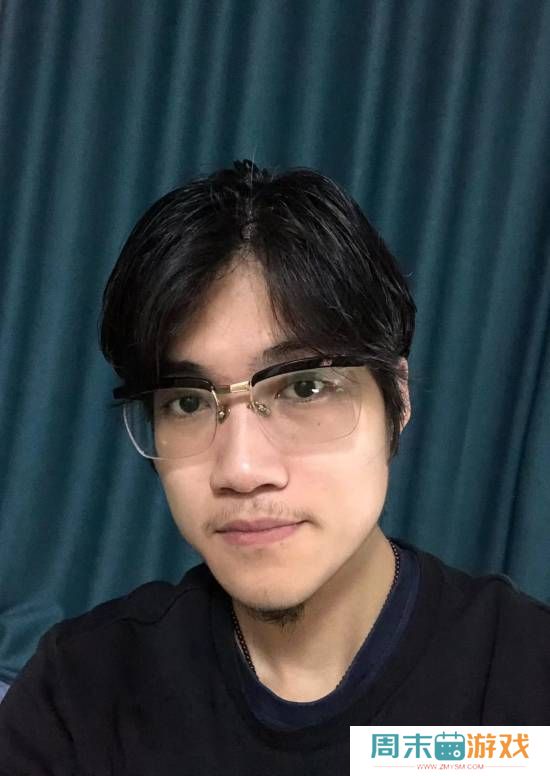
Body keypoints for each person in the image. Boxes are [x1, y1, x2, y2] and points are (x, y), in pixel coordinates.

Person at [1, 160, 549, 774]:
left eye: (304, 388)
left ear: (397, 399)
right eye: (188, 403)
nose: (241, 468)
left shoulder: (520, 684)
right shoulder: (78, 697)